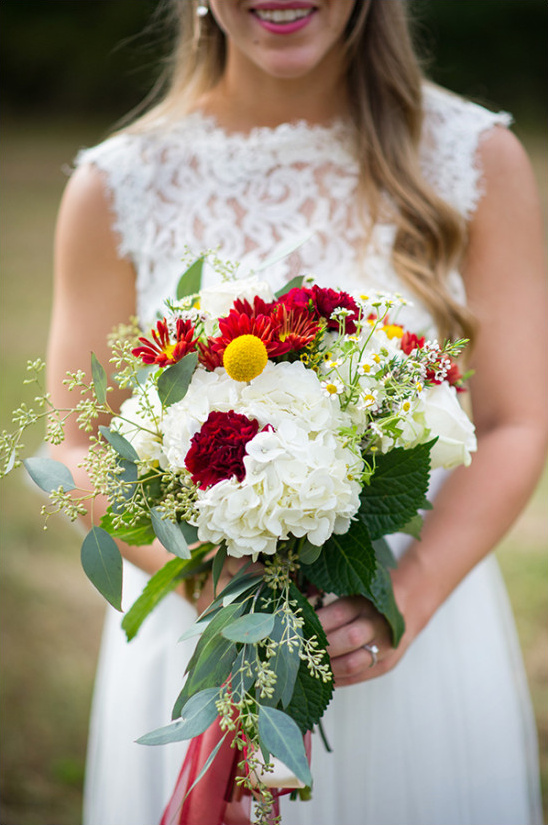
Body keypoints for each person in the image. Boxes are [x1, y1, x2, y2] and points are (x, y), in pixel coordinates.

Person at [49, 1, 547, 823]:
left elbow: (516, 421)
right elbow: (76, 445)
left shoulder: (475, 160)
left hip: (406, 623)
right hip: (205, 635)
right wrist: (209, 581)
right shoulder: (116, 186)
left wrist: (405, 599)